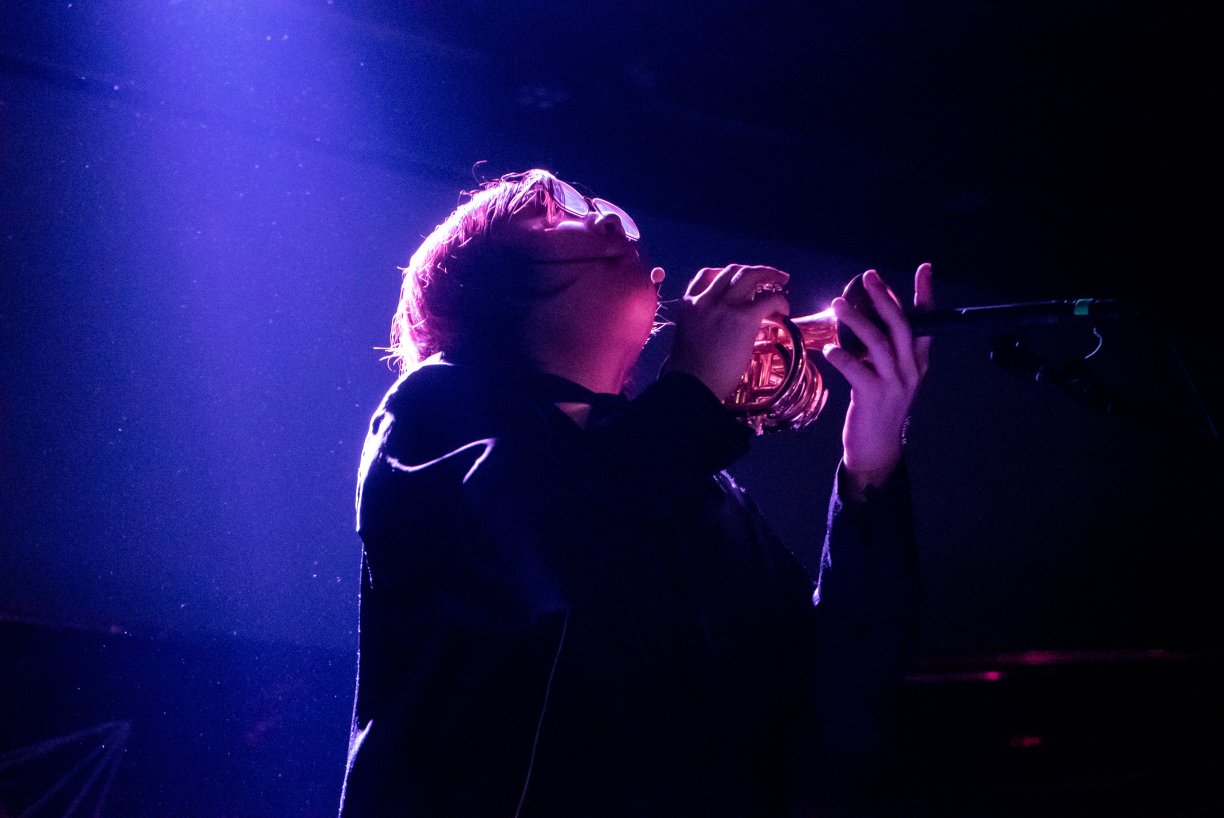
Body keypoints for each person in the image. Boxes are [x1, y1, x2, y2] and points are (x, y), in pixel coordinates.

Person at [340, 168, 934, 817]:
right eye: (553, 216)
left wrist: (871, 461)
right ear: (484, 287)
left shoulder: (696, 490)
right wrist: (693, 391)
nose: (609, 220)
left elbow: (842, 704)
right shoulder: (430, 411)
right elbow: (531, 549)